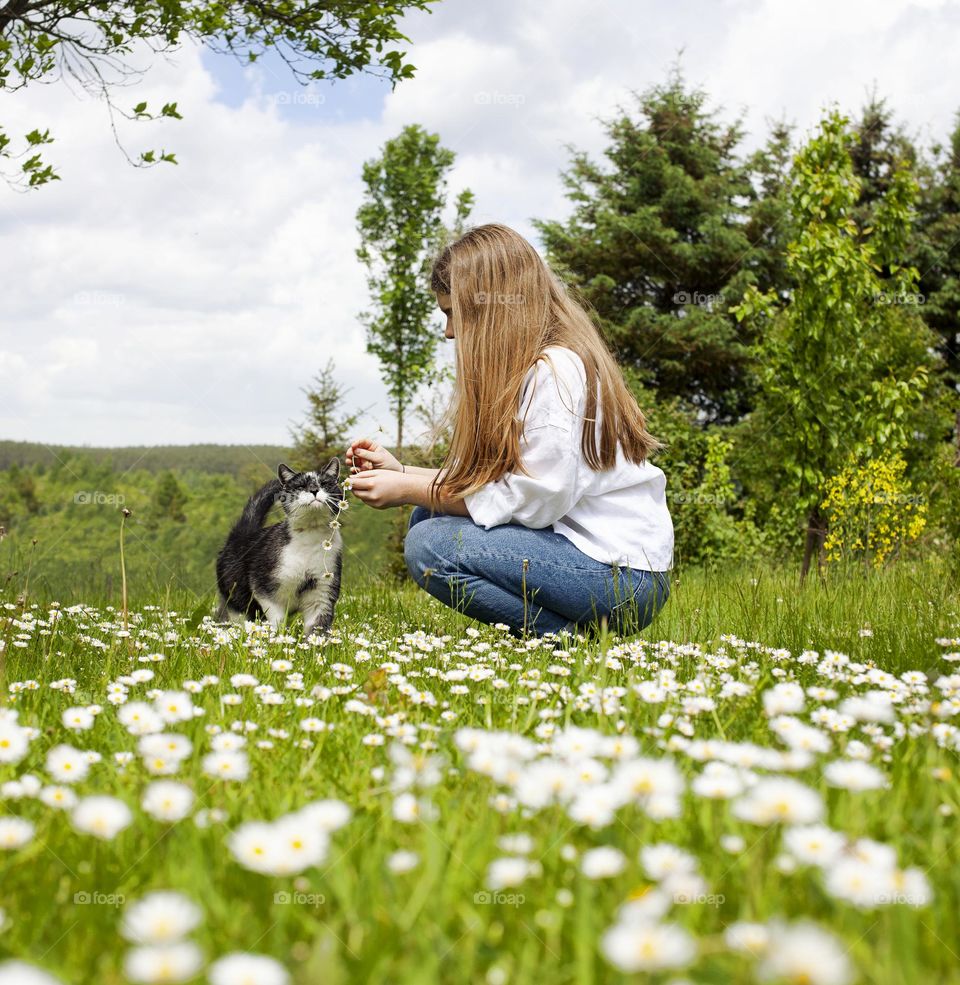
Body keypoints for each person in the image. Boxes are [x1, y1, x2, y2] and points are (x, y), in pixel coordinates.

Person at [346, 223, 673, 638]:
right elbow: (494, 486)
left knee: (429, 545)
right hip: (596, 564)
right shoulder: (535, 369)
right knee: (425, 515)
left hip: (623, 580)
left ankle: (565, 639)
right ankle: (568, 634)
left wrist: (405, 488)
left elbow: (533, 501)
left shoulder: (556, 373)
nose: (448, 331)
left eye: (452, 313)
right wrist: (403, 472)